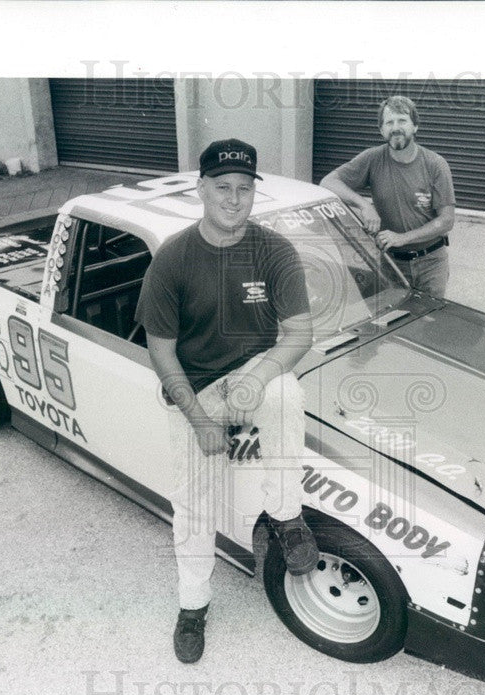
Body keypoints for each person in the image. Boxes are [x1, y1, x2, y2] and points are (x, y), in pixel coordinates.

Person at [134, 138, 318, 664]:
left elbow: (300, 333)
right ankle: (193, 607)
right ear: (201, 190)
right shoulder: (172, 259)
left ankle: (286, 516)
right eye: (222, 188)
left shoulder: (275, 251)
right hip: (194, 390)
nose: (234, 199)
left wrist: (258, 377)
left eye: (243, 189)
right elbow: (161, 354)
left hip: (248, 378)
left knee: (284, 389)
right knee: (194, 505)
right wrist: (199, 421)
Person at [320, 95, 456, 298]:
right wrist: (364, 205)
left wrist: (403, 238)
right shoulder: (372, 158)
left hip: (431, 263)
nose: (396, 127)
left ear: (415, 126)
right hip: (392, 263)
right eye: (389, 122)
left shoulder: (435, 164)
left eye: (402, 120)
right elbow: (328, 182)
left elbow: (446, 220)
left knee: (430, 322)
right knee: (393, 321)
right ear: (381, 130)